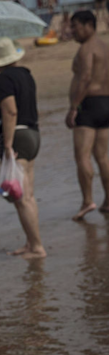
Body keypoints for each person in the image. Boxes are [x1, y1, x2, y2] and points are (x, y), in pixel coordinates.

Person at [0, 37, 46, 259]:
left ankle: (36, 247)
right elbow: (6, 103)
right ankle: (30, 242)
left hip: (17, 137)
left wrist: (7, 144)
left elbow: (10, 111)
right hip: (32, 134)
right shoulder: (25, 75)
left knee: (22, 197)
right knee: (27, 194)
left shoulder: (4, 78)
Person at [66, 10, 109, 220]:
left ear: (88, 26)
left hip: (88, 105)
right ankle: (108, 201)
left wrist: (74, 107)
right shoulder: (105, 47)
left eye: (75, 26)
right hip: (106, 103)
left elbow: (85, 78)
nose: (72, 31)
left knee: (82, 155)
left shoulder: (86, 49)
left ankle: (87, 201)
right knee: (102, 156)